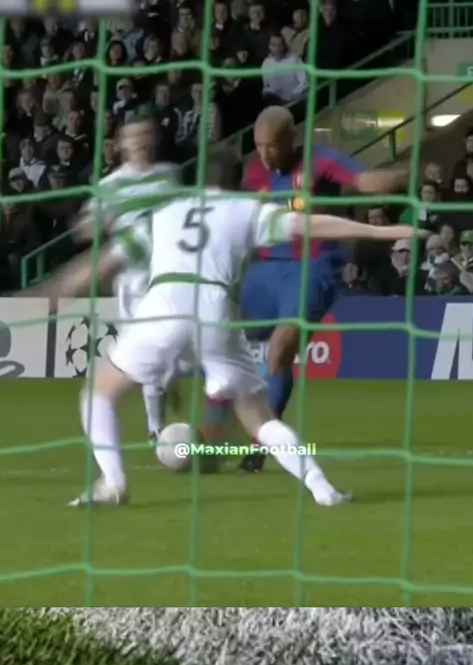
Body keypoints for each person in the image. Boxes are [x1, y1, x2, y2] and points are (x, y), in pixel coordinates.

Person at [32, 145, 422, 507]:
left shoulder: (163, 213)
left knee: (100, 391)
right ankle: (323, 489)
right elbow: (311, 226)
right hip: (214, 308)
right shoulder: (246, 209)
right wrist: (380, 231)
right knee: (258, 415)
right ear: (240, 179)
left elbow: (105, 262)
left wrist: (57, 289)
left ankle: (114, 482)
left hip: (163, 304)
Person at [203, 106, 409, 473]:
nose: (266, 154)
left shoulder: (321, 161)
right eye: (259, 146)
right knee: (219, 339)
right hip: (264, 269)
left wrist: (407, 172)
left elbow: (364, 182)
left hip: (313, 268)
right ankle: (211, 437)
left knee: (281, 349)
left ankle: (260, 446)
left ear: (292, 138)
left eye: (273, 146)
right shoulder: (251, 174)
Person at [73, 114, 180, 443]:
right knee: (152, 357)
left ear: (154, 138)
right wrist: (92, 226)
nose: (140, 141)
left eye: (145, 133)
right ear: (120, 144)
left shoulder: (169, 176)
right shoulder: (110, 186)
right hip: (134, 283)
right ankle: (156, 429)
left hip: (172, 276)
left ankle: (166, 391)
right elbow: (87, 227)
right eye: (133, 136)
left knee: (171, 355)